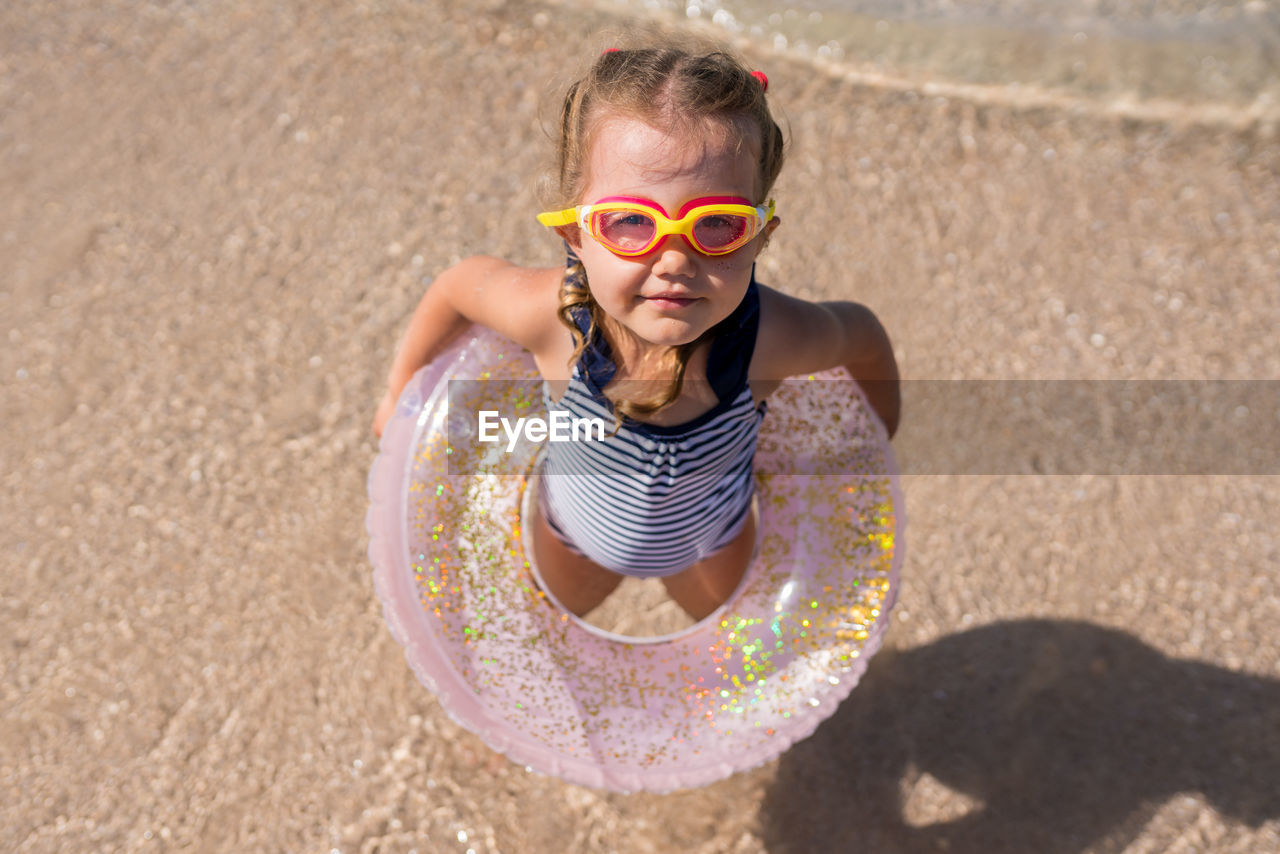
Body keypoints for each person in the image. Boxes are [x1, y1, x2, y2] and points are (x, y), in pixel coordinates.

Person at [372, 46, 899, 622]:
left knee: (730, 649)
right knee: (553, 630)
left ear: (759, 237)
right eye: (630, 222)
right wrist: (398, 392)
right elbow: (458, 286)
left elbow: (862, 335)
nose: (674, 260)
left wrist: (871, 438)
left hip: (710, 538)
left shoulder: (773, 339)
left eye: (717, 224)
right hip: (576, 530)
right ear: (575, 234)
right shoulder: (553, 323)